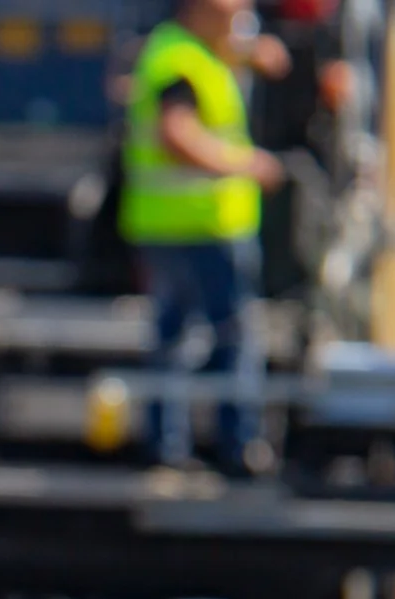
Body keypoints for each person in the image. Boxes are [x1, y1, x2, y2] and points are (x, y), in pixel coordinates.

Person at [120, 0, 291, 475]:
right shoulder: (180, 61)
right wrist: (246, 164)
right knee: (233, 336)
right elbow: (177, 134)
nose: (241, 12)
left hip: (171, 224)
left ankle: (167, 448)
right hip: (198, 226)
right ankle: (237, 446)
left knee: (173, 338)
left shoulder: (186, 51)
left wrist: (252, 53)